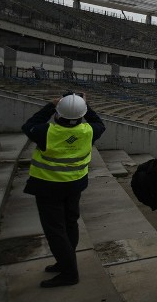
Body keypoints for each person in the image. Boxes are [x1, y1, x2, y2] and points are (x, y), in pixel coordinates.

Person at [21, 93, 105, 288]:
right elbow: (97, 121)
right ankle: (66, 261)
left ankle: (69, 273)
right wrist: (86, 105)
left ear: (58, 114)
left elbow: (29, 125)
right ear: (82, 115)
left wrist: (51, 105)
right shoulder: (89, 131)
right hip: (75, 184)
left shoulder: (46, 132)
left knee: (55, 230)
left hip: (48, 186)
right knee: (70, 224)